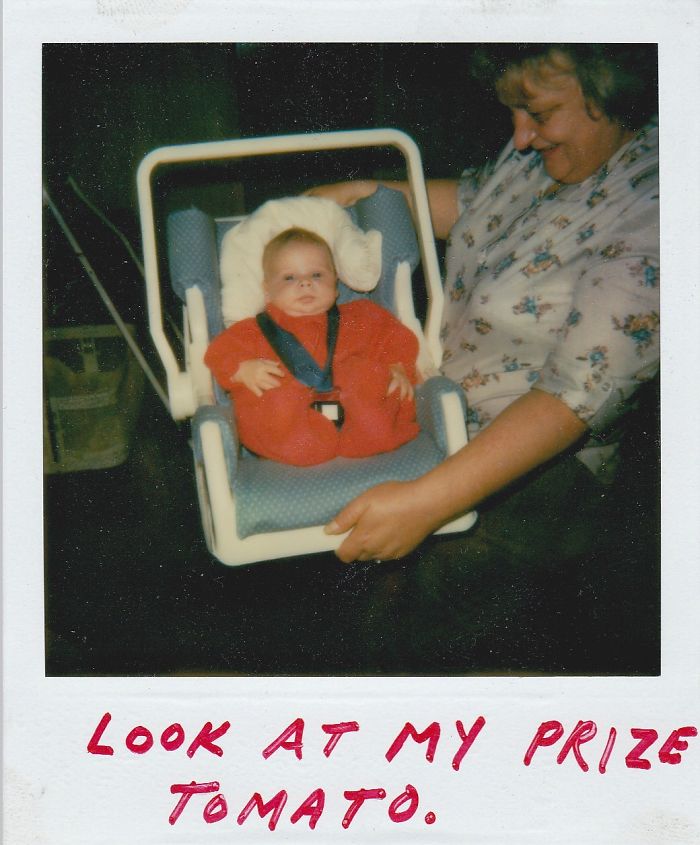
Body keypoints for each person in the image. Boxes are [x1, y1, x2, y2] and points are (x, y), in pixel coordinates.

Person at [308, 43, 659, 564]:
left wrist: (427, 504)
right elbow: (476, 207)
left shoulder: (659, 207)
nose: (519, 137)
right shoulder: (545, 152)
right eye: (514, 113)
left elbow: (573, 398)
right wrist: (359, 193)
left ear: (614, 94)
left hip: (534, 475)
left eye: (538, 114)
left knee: (411, 630)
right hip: (450, 420)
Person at [205, 227, 420, 466]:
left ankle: (363, 438)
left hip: (356, 416)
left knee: (365, 377)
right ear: (267, 290)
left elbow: (393, 337)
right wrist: (243, 369)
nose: (305, 283)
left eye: (317, 275)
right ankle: (310, 444)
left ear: (336, 284)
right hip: (290, 425)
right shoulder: (252, 331)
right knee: (273, 396)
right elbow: (219, 351)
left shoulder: (361, 316)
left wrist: (398, 367)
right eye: (289, 278)